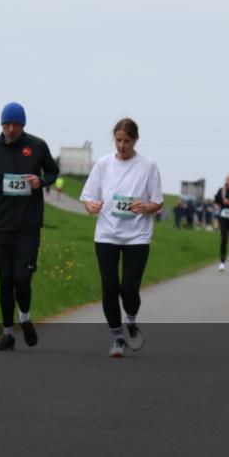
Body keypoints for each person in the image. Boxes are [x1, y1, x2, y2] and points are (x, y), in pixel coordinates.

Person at [0, 102, 59, 351]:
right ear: (1, 124)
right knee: (4, 282)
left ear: (23, 125)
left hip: (28, 226)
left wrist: (40, 181)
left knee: (22, 279)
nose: (11, 129)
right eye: (7, 124)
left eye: (16, 125)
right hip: (0, 225)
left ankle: (24, 317)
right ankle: (8, 333)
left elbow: (53, 172)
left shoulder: (37, 146)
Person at [80, 118, 163, 358]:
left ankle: (131, 320)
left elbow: (158, 201)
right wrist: (91, 206)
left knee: (128, 289)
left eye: (127, 141)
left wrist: (146, 207)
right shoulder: (103, 164)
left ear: (135, 140)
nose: (121, 145)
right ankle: (117, 338)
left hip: (137, 236)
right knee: (109, 287)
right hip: (106, 233)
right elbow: (87, 198)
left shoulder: (148, 165)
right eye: (118, 140)